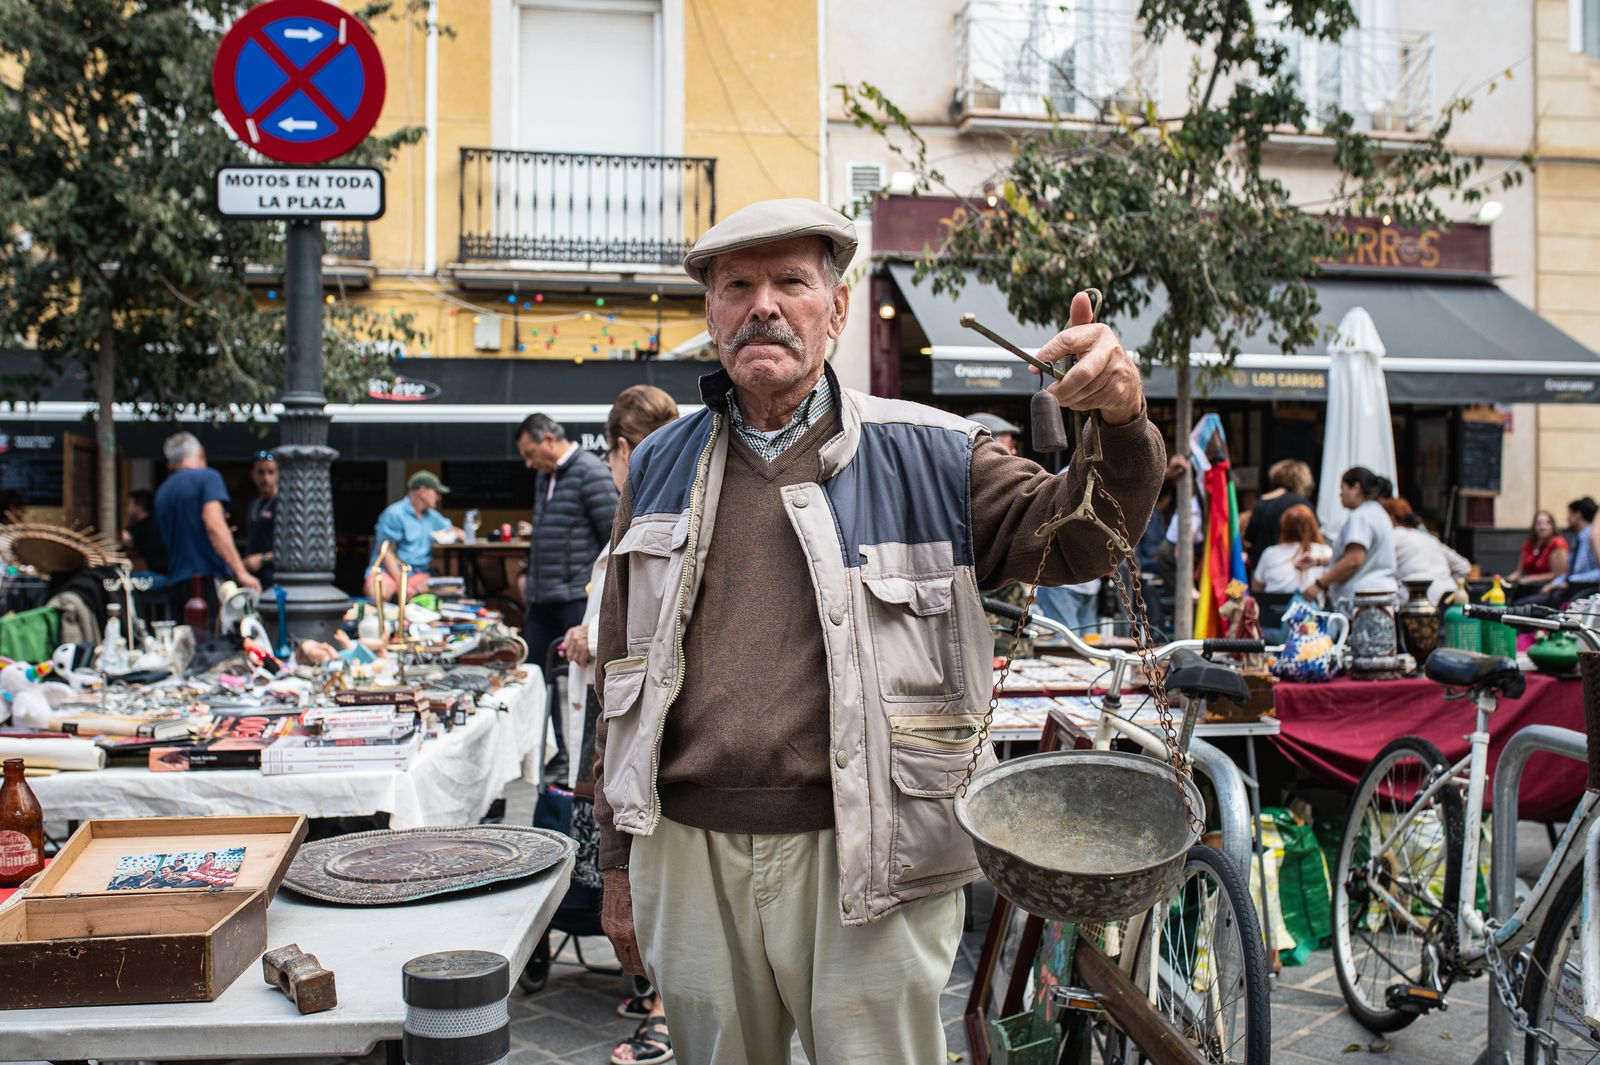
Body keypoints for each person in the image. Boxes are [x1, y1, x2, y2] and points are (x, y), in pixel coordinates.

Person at [592, 198, 1164, 1065]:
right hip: (688, 850)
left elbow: (1088, 537)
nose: (763, 305)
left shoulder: (934, 453)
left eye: (791, 281)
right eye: (737, 286)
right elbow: (617, 666)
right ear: (711, 313)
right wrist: (617, 861)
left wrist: (1119, 423)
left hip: (873, 854)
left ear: (840, 306)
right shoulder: (662, 462)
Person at [556, 385, 681, 1065]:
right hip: (627, 724)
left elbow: (644, 636)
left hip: (643, 734)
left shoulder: (649, 516)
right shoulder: (644, 512)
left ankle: (665, 1008)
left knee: (646, 865)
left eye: (609, 451)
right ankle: (658, 990)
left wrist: (590, 644)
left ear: (623, 449)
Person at [516, 412, 618, 665]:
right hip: (542, 597)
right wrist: (528, 576)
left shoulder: (591, 472)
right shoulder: (545, 475)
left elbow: (613, 536)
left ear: (549, 440)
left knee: (581, 677)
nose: (528, 463)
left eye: (530, 453)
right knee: (535, 675)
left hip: (575, 598)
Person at [155, 432, 259, 620]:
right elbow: (214, 526)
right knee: (215, 644)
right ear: (201, 453)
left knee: (185, 644)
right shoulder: (207, 478)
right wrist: (241, 572)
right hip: (206, 579)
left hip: (177, 582)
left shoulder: (163, 491)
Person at [1304, 466, 1397, 608]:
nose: (1340, 495)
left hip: (1362, 598)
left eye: (1342, 488)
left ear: (1356, 488)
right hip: (1382, 594)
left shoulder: (1360, 516)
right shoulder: (1379, 513)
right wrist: (1319, 561)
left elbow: (1354, 559)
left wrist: (1319, 583)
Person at [365, 472, 456, 601]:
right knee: (379, 592)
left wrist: (463, 532)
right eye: (437, 493)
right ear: (423, 492)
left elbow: (451, 529)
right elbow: (386, 552)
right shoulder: (394, 513)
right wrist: (402, 583)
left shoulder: (432, 516)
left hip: (417, 574)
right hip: (389, 573)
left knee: (441, 592)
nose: (439, 497)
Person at [1381, 497, 1469, 606]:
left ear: (1391, 518)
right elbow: (1464, 567)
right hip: (1448, 596)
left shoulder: (1391, 537)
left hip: (1416, 601)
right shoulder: (1428, 538)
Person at [1522, 497, 1600, 608]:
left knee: (1526, 605)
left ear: (1577, 515)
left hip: (1582, 594)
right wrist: (1556, 583)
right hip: (1570, 590)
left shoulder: (1592, 537)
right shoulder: (1579, 537)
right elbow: (1569, 572)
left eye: (1569, 514)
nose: (1567, 518)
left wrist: (1570, 581)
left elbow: (1597, 572)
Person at [1241, 459, 1314, 577]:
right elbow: (1313, 535)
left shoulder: (1262, 503)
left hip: (1263, 569)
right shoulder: (1303, 504)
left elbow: (1250, 537)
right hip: (1297, 567)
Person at [1251, 503, 1330, 595]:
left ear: (1283, 527)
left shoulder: (1270, 553)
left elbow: (1257, 588)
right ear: (1313, 526)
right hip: (1311, 606)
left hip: (1274, 606)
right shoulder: (1325, 552)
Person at [1506, 509, 1570, 603]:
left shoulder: (1557, 543)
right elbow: (1519, 571)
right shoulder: (1529, 543)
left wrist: (1531, 579)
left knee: (1519, 605)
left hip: (1545, 589)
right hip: (1525, 587)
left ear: (1552, 526)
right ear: (1534, 526)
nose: (1542, 527)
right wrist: (1508, 579)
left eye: (1547, 523)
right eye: (1539, 523)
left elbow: (1559, 574)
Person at [241, 451, 278, 588]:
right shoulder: (253, 505)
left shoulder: (283, 505)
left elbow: (291, 549)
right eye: (261, 472)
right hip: (254, 582)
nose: (266, 478)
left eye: (271, 472)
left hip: (276, 582)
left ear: (278, 474)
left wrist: (262, 559)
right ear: (253, 474)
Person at [121, 488, 169, 577]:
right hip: (171, 573)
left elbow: (125, 539)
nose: (127, 508)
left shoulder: (139, 527)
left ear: (139, 507)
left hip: (157, 574)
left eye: (129, 504)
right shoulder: (161, 523)